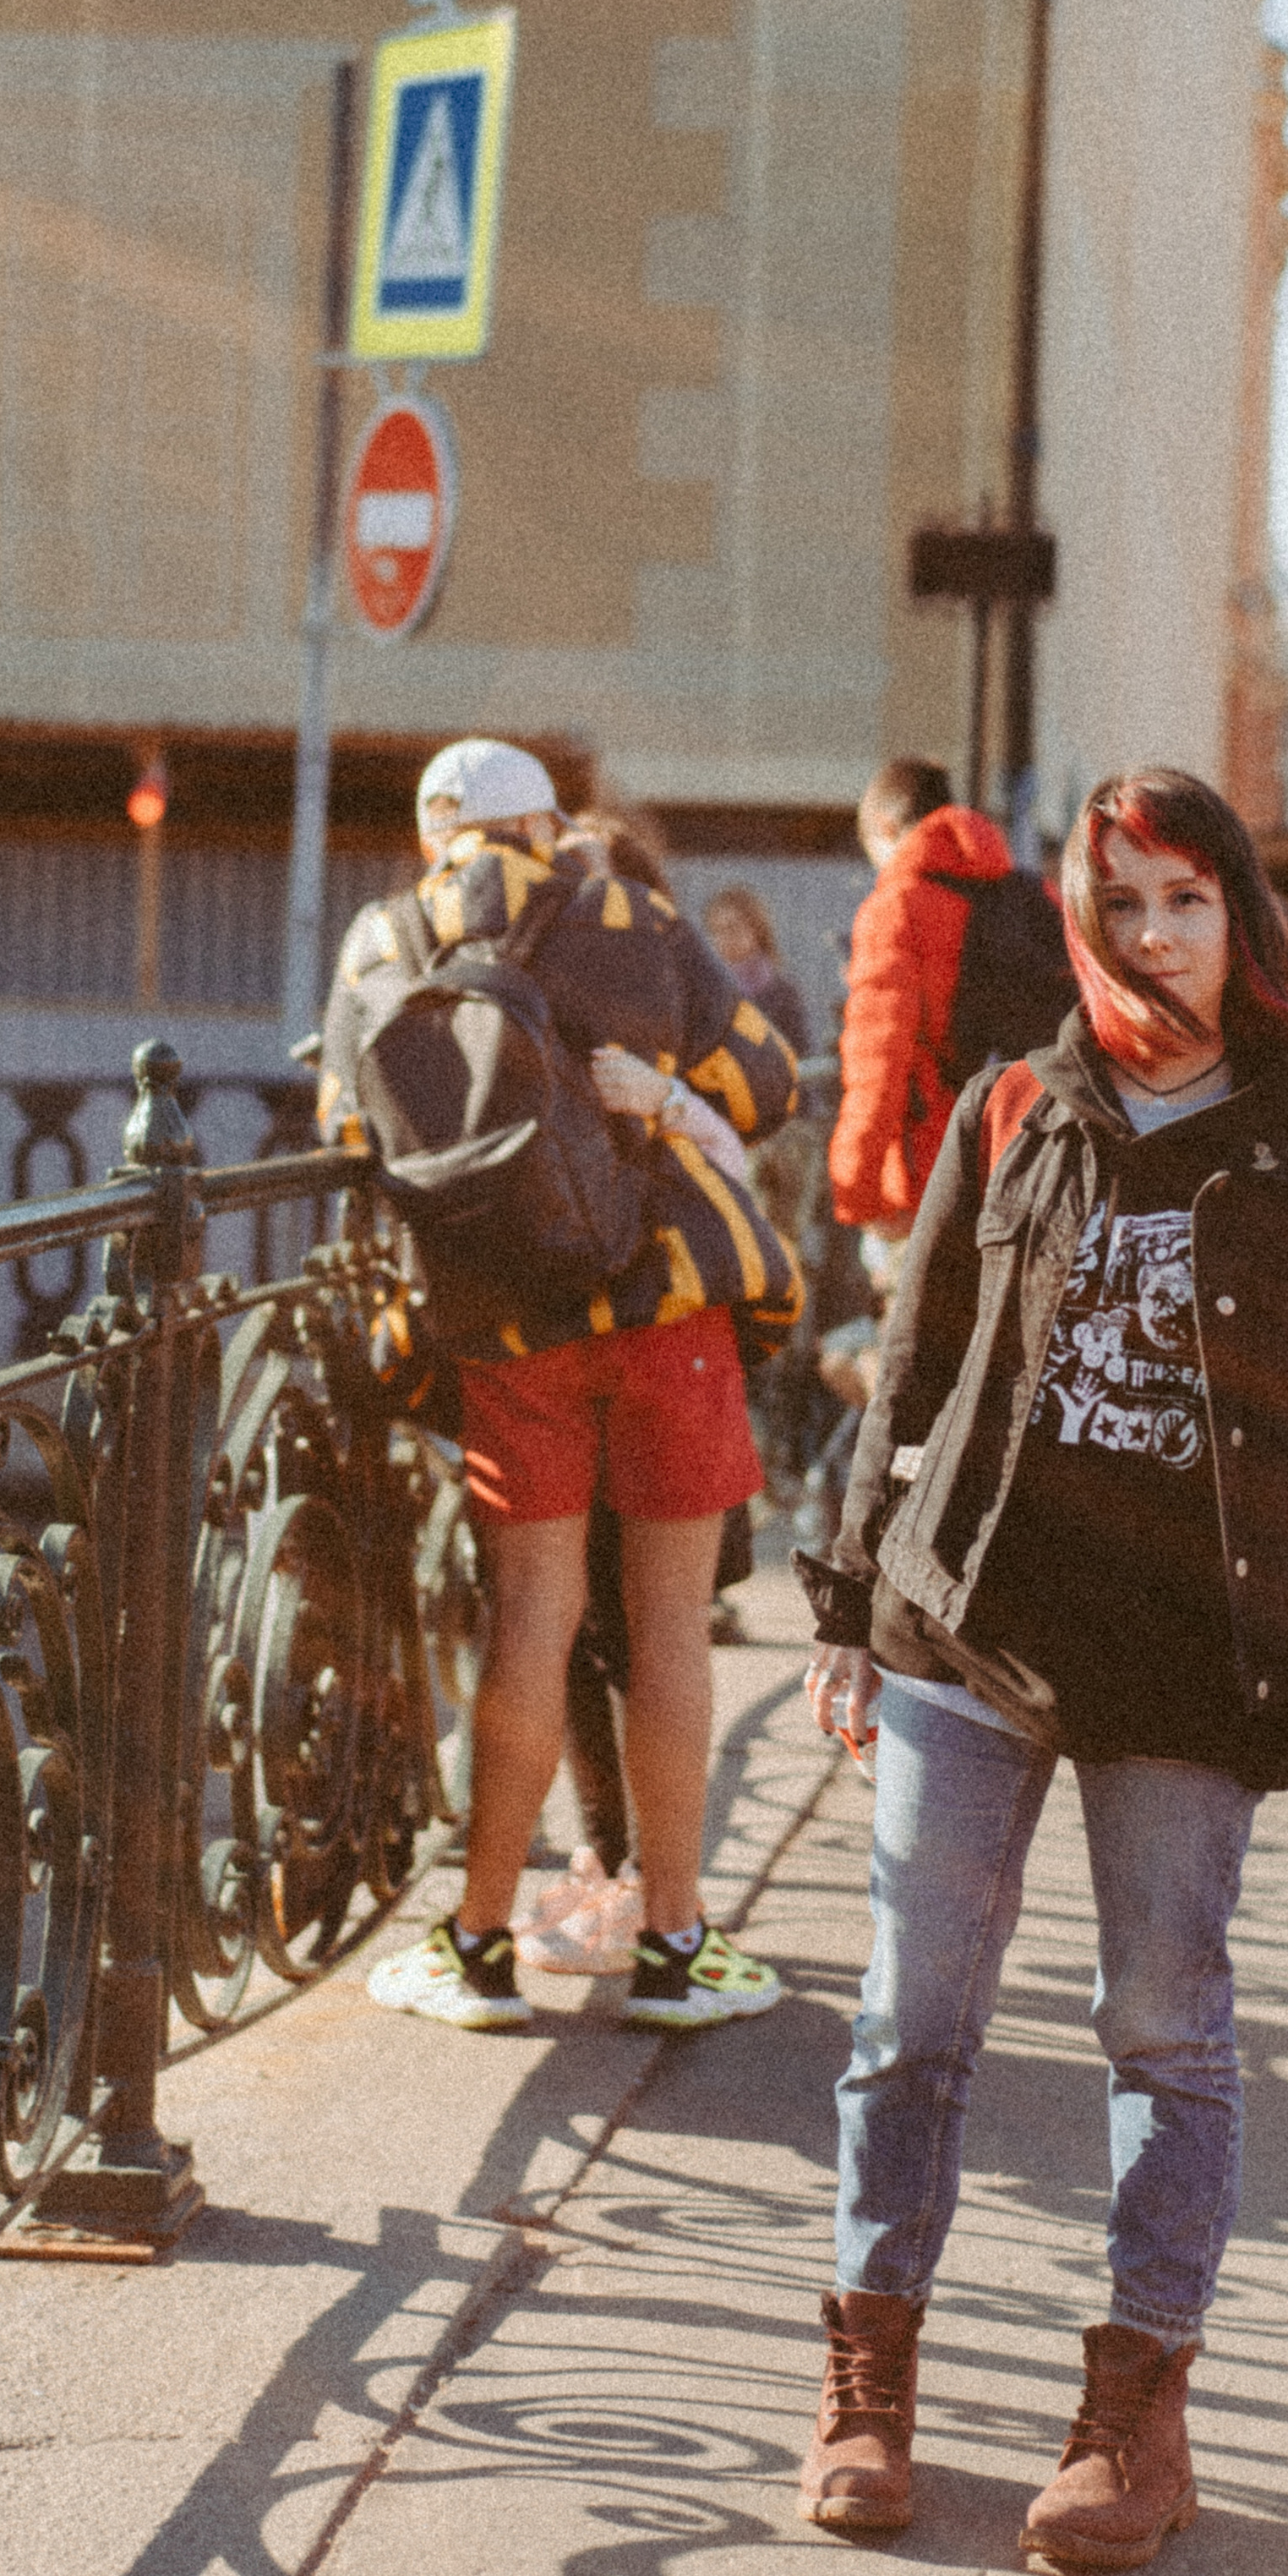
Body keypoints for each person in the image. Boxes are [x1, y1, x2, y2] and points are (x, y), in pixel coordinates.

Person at [793, 767, 1288, 2570]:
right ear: (1076, 925)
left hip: (1187, 1659)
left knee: (1162, 2033)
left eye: (1181, 897)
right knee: (909, 2019)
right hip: (967, 1628)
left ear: (1235, 915)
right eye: (1119, 904)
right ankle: (867, 2378)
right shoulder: (1012, 1106)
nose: (1150, 932)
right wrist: (845, 1603)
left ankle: (1134, 2417)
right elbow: (910, 1370)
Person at [318, 735, 801, 2033]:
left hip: (503, 1324)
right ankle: (676, 1947)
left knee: (529, 1618)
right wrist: (645, 1095)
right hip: (667, 1310)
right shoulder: (629, 912)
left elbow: (347, 1129)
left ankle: (477, 1948)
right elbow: (766, 1079)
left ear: (434, 836)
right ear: (543, 826)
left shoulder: (384, 934)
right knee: (669, 1632)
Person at [827, 757, 1015, 1236]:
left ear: (886, 828)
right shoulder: (1022, 893)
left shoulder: (896, 909)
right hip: (1026, 1169)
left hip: (934, 1180)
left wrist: (857, 1194)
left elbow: (877, 1065)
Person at [701, 884, 811, 1055]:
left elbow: (800, 1057)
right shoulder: (704, 991)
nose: (725, 939)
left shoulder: (783, 994)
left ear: (756, 929)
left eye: (733, 928)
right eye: (716, 931)